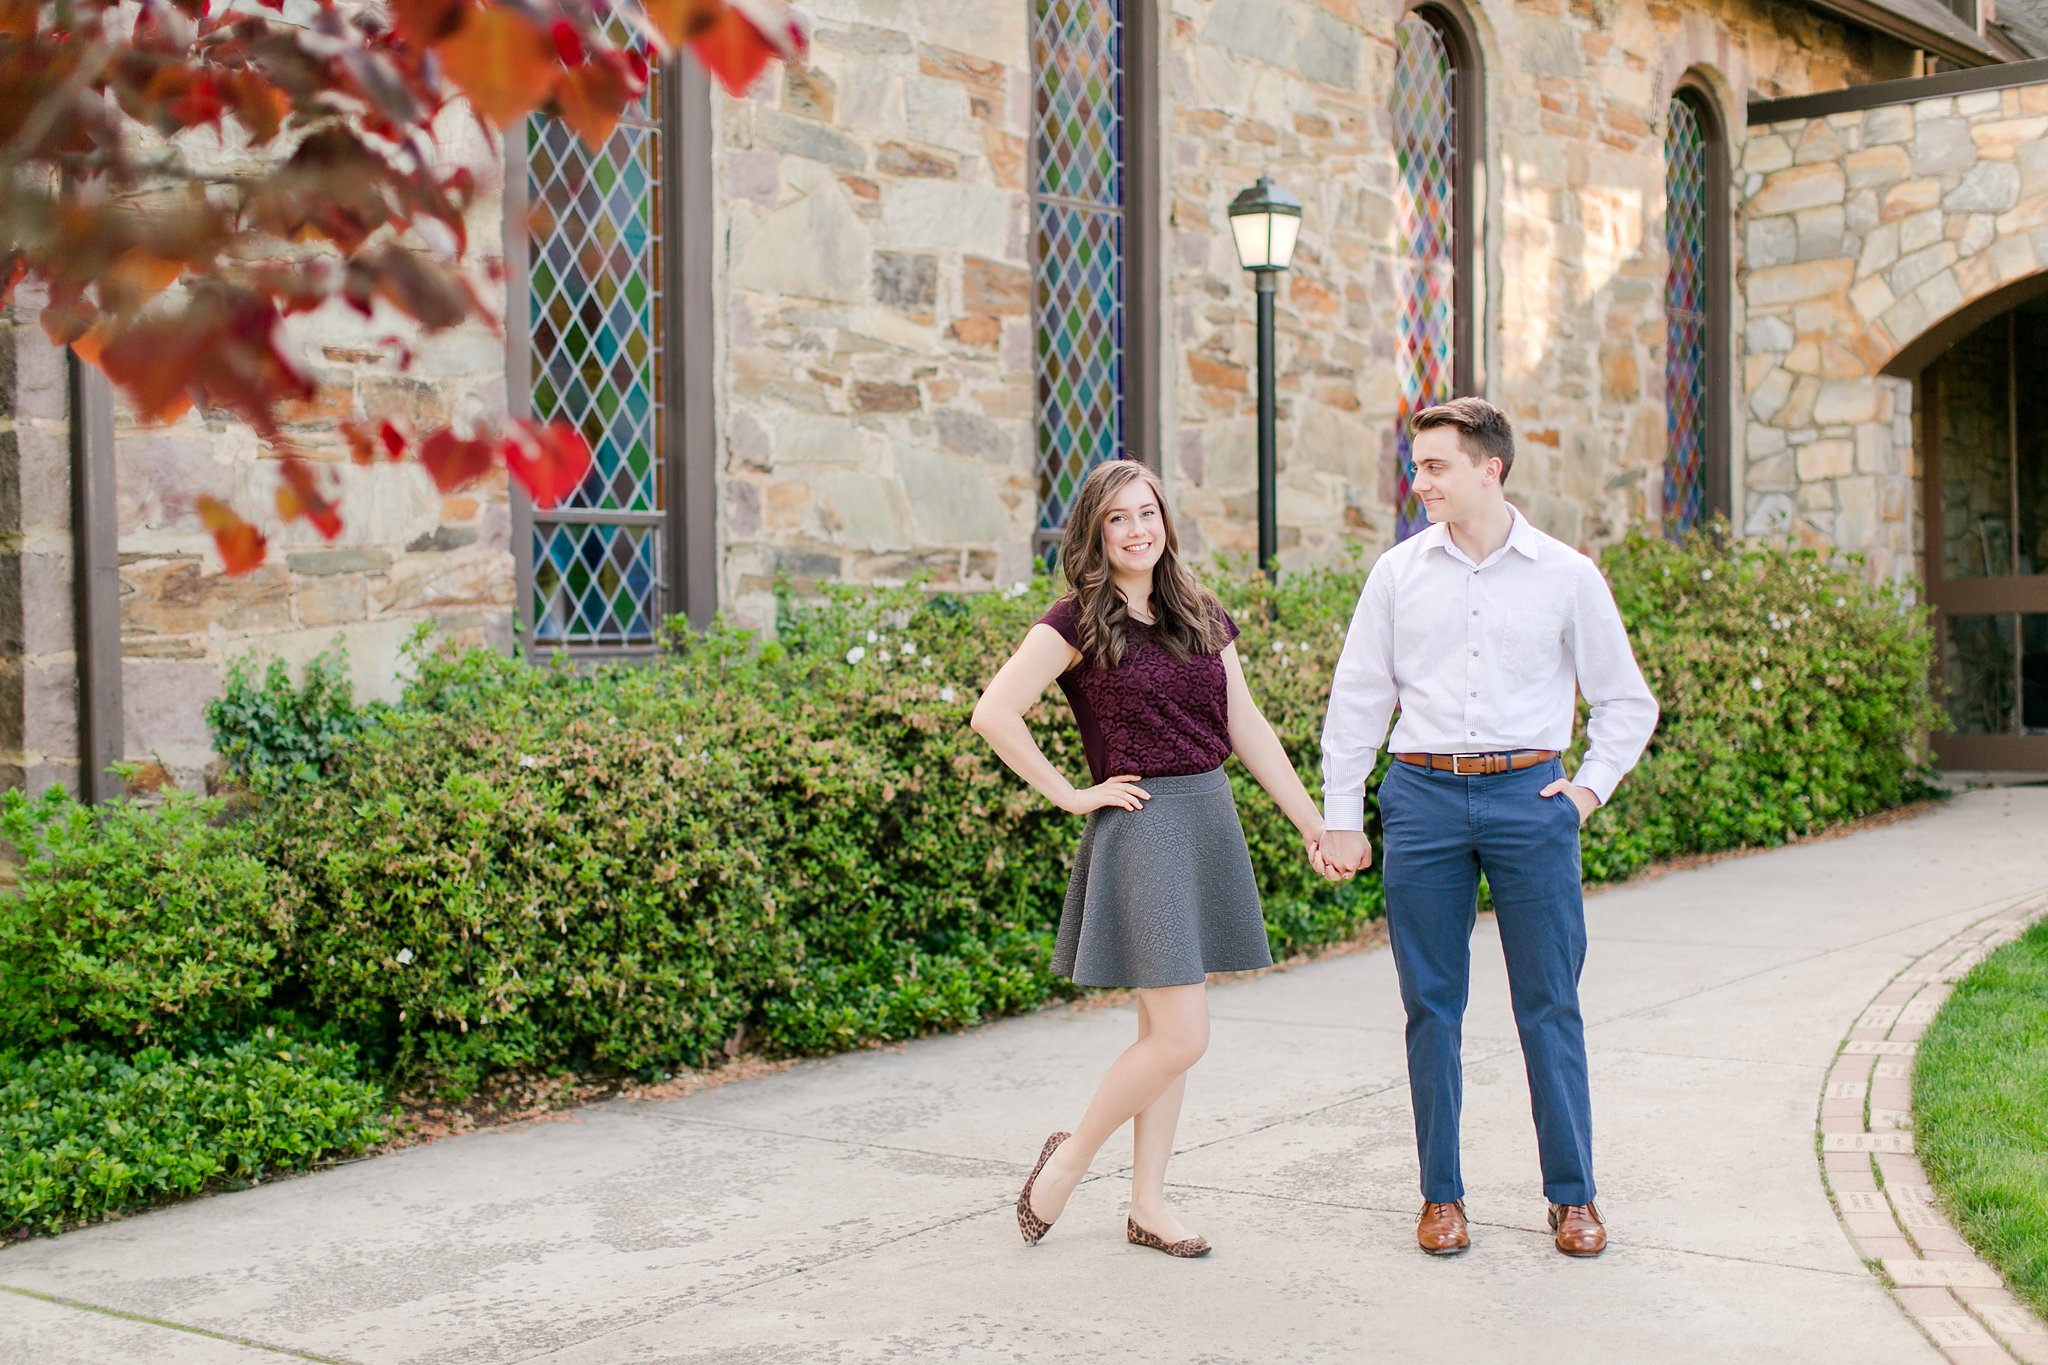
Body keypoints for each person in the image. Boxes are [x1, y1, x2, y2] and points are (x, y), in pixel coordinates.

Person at [1317, 397, 1658, 1259]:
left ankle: (1573, 1197)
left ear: (1489, 469)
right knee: (1430, 1006)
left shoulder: (1567, 574)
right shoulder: (1397, 574)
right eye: (1417, 463)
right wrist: (1344, 815)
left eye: (1434, 465)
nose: (1418, 479)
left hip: (1530, 801)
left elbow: (1626, 700)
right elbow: (1358, 700)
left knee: (1550, 1003)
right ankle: (1441, 1196)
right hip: (1422, 800)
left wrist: (1585, 791)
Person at [971, 458, 1335, 1259]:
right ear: (1095, 533)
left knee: (1160, 1026)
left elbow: (1247, 724)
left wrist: (1311, 822)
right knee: (1182, 1033)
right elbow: (994, 712)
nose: (1139, 530)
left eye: (1149, 513)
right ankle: (1066, 1162)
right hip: (1143, 824)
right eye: (1119, 519)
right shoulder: (1075, 620)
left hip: (1208, 813)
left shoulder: (1198, 610)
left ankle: (1148, 1203)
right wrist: (1072, 792)